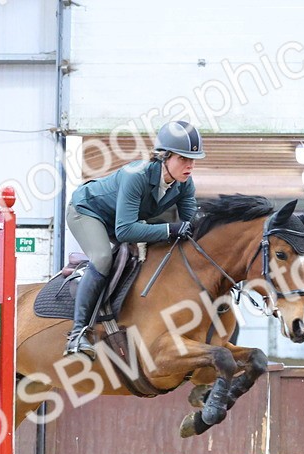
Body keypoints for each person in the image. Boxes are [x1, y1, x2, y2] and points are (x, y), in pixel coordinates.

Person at [62, 120, 205, 359]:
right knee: (103, 258)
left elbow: (193, 226)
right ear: (164, 156)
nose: (189, 166)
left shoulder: (185, 184)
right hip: (87, 211)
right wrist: (170, 229)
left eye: (193, 160)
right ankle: (77, 335)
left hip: (119, 219)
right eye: (183, 158)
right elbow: (125, 231)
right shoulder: (136, 175)